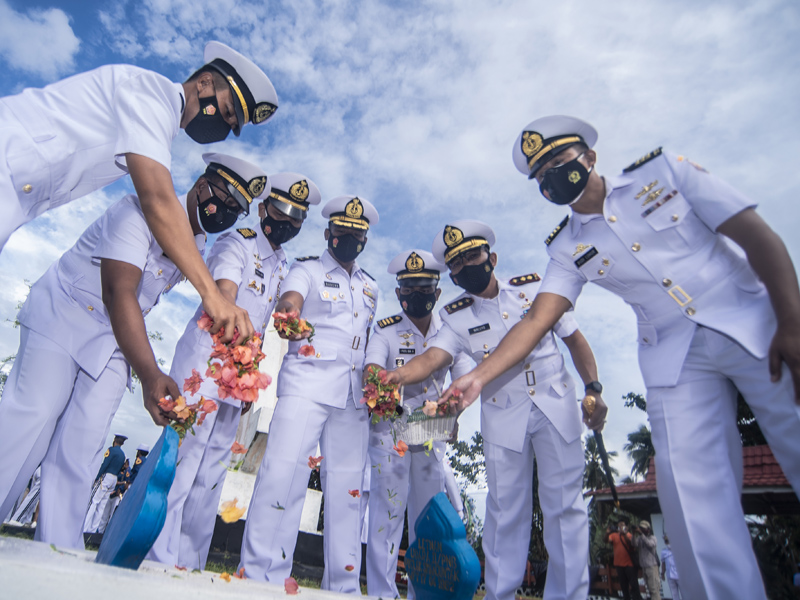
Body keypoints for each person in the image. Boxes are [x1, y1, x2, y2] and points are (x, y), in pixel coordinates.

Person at [443, 115, 800, 600]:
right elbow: (536, 322)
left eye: (558, 162)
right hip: (674, 361)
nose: (551, 176)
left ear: (589, 157)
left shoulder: (664, 174)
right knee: (692, 502)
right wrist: (478, 379)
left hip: (752, 322)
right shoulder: (566, 247)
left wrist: (791, 319)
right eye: (540, 174)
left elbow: (755, 234)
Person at [0, 152, 269, 550]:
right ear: (199, 186)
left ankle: (56, 554)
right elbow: (118, 291)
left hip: (114, 339)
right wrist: (150, 373)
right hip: (65, 313)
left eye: (235, 210)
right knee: (33, 420)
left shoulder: (194, 244)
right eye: (221, 198)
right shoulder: (136, 212)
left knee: (83, 445)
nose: (224, 212)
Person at [0, 40, 278, 344]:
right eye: (226, 112)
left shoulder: (161, 121)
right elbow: (157, 198)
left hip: (17, 195)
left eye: (232, 125)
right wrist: (212, 294)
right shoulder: (151, 93)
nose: (223, 127)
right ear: (205, 82)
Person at [385, 220, 607, 600]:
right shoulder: (455, 317)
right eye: (456, 263)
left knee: (565, 508)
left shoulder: (534, 290)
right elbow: (433, 358)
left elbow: (575, 340)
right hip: (504, 415)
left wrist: (594, 389)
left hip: (555, 405)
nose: (466, 265)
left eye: (473, 254)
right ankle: (501, 595)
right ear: (452, 276)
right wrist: (399, 375)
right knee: (505, 512)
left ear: (492, 257)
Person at [148, 173, 321, 570]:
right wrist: (230, 314)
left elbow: (261, 327)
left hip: (237, 376)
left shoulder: (281, 263)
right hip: (205, 365)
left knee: (211, 474)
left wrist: (249, 384)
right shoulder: (237, 242)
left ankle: (187, 564)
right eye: (281, 214)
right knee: (184, 462)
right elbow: (223, 293)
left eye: (296, 220)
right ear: (264, 210)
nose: (288, 224)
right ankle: (155, 559)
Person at [238, 195, 379, 593]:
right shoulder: (307, 269)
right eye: (341, 232)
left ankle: (344, 586)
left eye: (355, 234)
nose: (347, 238)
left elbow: (368, 341)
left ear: (364, 239)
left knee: (348, 491)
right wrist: (288, 315)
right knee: (283, 474)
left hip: (353, 399)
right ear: (327, 233)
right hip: (307, 385)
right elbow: (290, 301)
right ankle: (261, 578)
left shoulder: (370, 286)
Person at [364, 249, 473, 600]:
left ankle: (422, 594)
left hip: (431, 432)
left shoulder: (452, 331)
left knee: (429, 519)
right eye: (407, 289)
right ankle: (382, 593)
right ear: (398, 293)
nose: (415, 295)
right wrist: (381, 385)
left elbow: (464, 380)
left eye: (424, 288)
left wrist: (452, 412)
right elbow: (372, 368)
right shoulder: (386, 329)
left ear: (437, 291)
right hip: (390, 428)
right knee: (388, 512)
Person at [84, 434, 127, 534]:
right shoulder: (122, 455)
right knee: (102, 506)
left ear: (115, 440)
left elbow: (105, 464)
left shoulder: (111, 450)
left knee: (94, 501)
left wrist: (97, 476)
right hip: (114, 478)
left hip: (106, 477)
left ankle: (84, 528)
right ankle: (92, 530)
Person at [606, 518, 642, 600]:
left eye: (622, 525)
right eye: (619, 525)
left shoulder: (630, 535)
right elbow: (606, 540)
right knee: (623, 586)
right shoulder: (614, 535)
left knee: (634, 585)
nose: (620, 526)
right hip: (619, 565)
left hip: (630, 565)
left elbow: (631, 544)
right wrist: (607, 533)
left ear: (626, 527)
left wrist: (624, 534)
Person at [97, 459, 132, 535]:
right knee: (104, 515)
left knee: (112, 515)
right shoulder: (118, 470)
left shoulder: (127, 472)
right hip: (111, 494)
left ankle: (107, 534)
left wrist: (119, 489)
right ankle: (99, 532)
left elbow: (126, 483)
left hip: (117, 496)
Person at [634, 521, 660, 600]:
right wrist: (634, 534)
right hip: (644, 567)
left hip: (652, 566)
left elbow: (650, 544)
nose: (641, 530)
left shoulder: (653, 538)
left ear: (648, 529)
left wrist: (641, 534)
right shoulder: (640, 538)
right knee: (649, 589)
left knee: (654, 589)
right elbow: (634, 544)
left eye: (643, 528)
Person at [661, 535, 682, 599]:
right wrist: (662, 573)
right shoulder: (664, 552)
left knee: (684, 593)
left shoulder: (678, 549)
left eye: (668, 541)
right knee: (674, 594)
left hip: (680, 575)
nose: (668, 543)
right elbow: (663, 563)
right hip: (670, 576)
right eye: (666, 541)